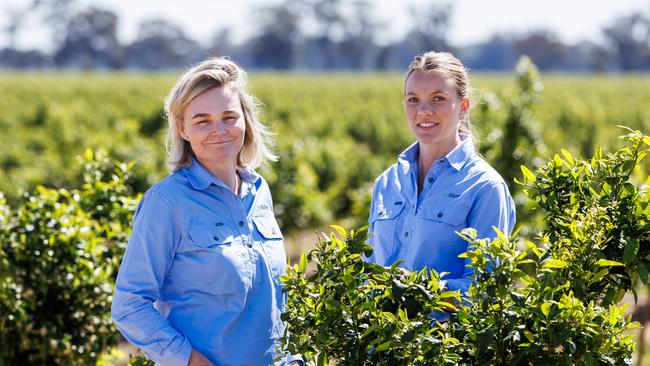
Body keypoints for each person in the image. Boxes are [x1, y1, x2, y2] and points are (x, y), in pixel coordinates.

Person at [111, 57, 302, 365]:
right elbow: (129, 304)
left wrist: (291, 357)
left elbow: (273, 297)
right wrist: (189, 360)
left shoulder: (259, 191)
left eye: (229, 116)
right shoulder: (167, 202)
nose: (219, 130)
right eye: (202, 120)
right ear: (182, 129)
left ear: (245, 120)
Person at [366, 51, 516, 298]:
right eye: (413, 99)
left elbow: (487, 290)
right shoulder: (387, 182)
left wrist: (422, 291)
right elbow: (366, 271)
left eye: (438, 98)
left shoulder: (485, 187)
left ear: (463, 107)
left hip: (445, 336)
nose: (424, 110)